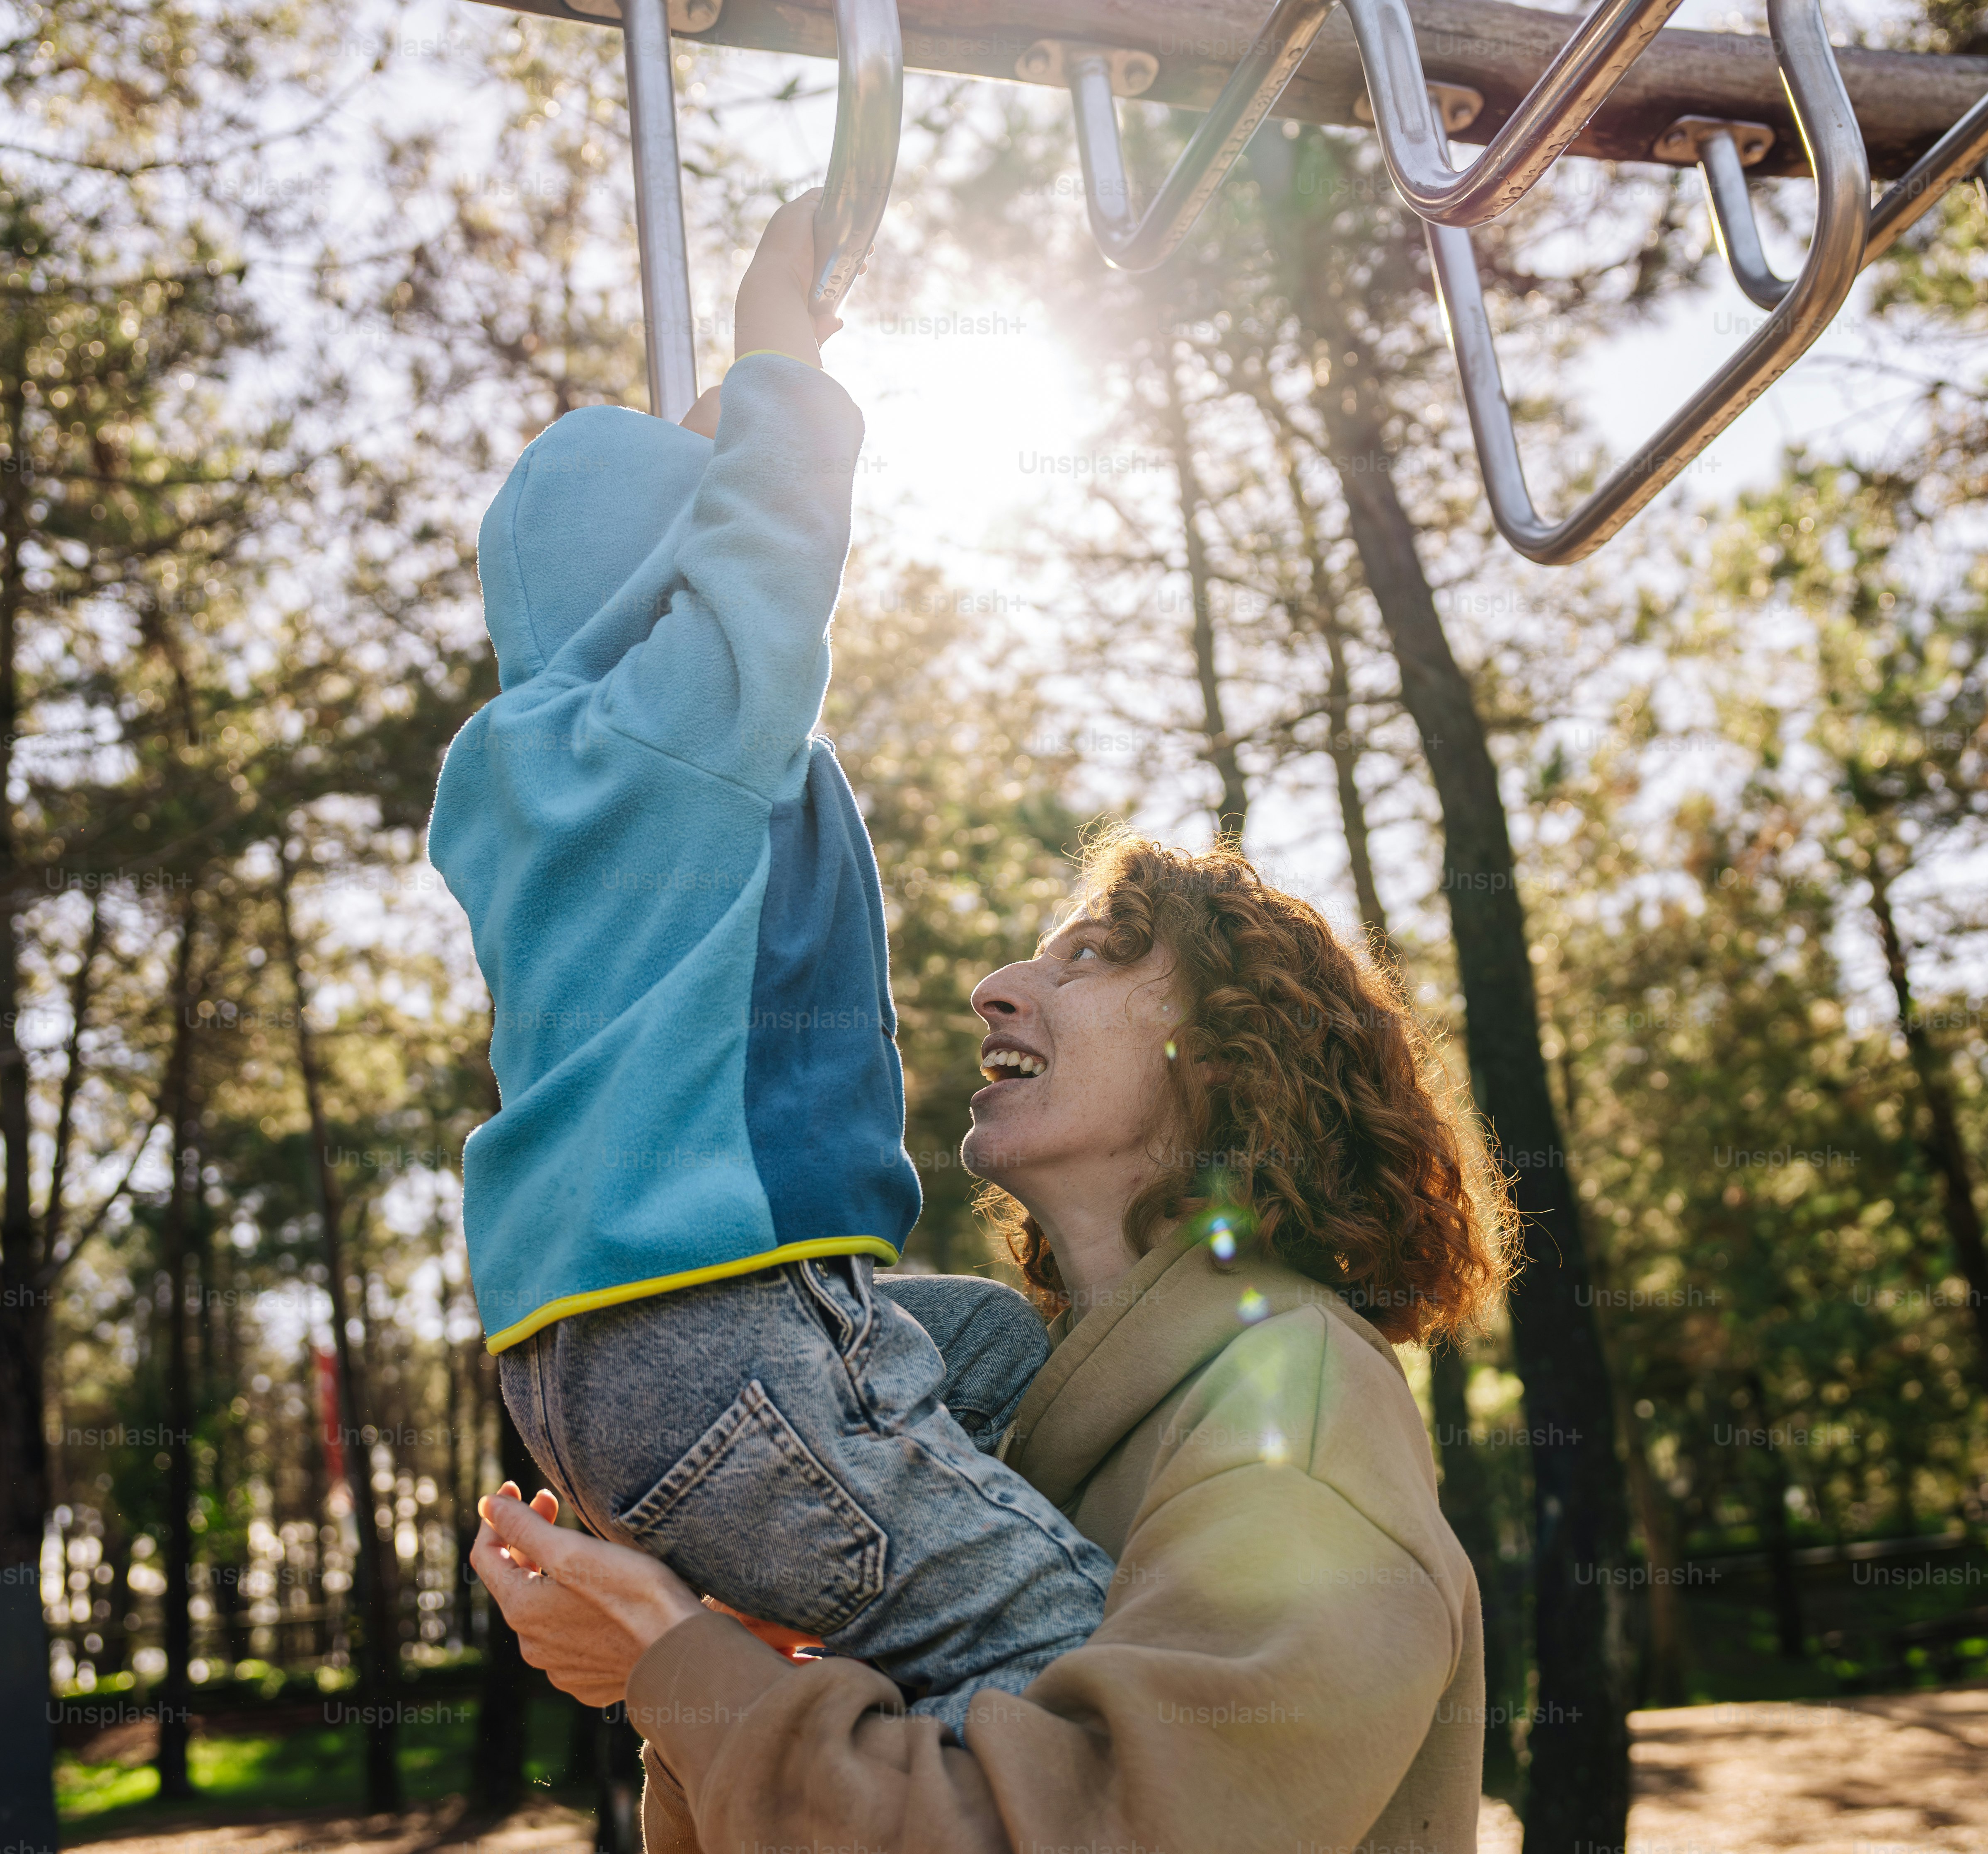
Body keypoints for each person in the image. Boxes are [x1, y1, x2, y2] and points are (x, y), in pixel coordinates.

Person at [473, 833, 1516, 1854]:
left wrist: (680, 1669)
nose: (995, 986)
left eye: (1097, 954)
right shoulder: (985, 1408)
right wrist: (740, 1666)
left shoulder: (1298, 1405)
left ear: (1235, 1052)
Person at [425, 189, 1111, 1740]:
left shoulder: (553, 778)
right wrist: (777, 350)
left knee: (1017, 1347)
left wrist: (697, 440)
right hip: (733, 1330)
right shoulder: (676, 734)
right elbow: (768, 561)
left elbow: (676, 553)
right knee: (1074, 1653)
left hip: (607, 1366)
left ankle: (877, 1668)